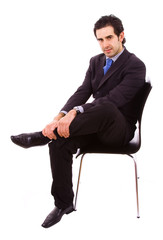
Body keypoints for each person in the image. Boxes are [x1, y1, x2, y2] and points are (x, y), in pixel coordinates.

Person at [11, 14, 146, 228]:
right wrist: (60, 116)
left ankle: (41, 136)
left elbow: (115, 99)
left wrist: (76, 112)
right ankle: (64, 203)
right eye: (100, 40)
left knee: (107, 106)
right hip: (92, 125)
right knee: (60, 141)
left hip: (118, 130)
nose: (105, 44)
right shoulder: (96, 61)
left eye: (109, 38)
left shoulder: (136, 66)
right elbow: (82, 91)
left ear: (121, 36)